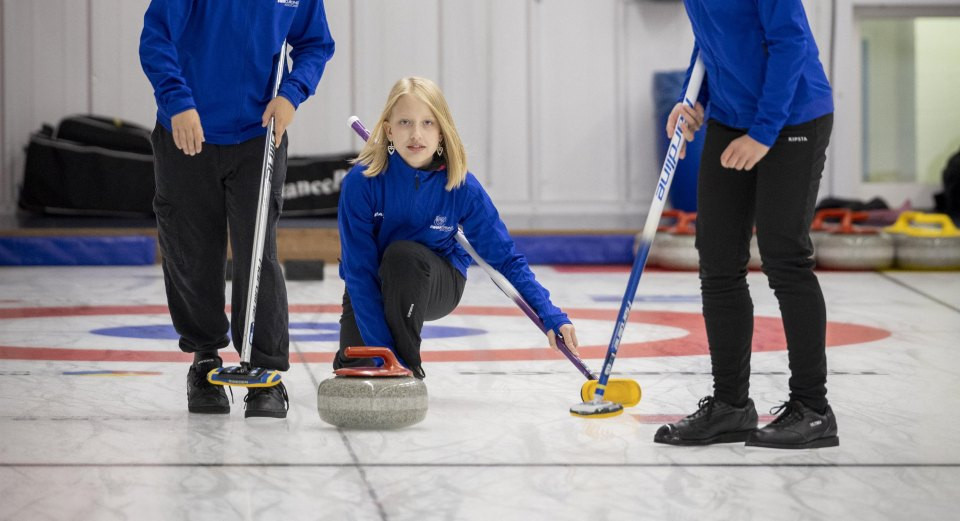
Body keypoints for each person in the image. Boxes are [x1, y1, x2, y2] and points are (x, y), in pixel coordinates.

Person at [654, 1, 838, 448]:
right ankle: (731, 407)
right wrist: (689, 101)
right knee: (717, 261)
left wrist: (762, 133)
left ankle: (813, 409)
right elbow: (710, 40)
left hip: (793, 116)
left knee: (785, 258)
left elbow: (790, 43)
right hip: (730, 117)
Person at [139, 0, 335, 418]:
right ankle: (205, 358)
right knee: (190, 250)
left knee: (258, 250)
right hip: (188, 129)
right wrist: (177, 100)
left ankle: (265, 367)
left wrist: (291, 94)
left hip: (259, 133)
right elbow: (156, 37)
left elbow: (315, 43)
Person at [336, 77, 578, 378]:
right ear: (388, 130)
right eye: (405, 123)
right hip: (374, 282)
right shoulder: (360, 183)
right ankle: (392, 361)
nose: (415, 134)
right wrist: (381, 354)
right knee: (356, 369)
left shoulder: (461, 185)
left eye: (427, 123)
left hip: (437, 281)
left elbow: (505, 259)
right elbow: (359, 270)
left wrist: (550, 314)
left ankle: (408, 368)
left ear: (441, 132)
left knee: (403, 256)